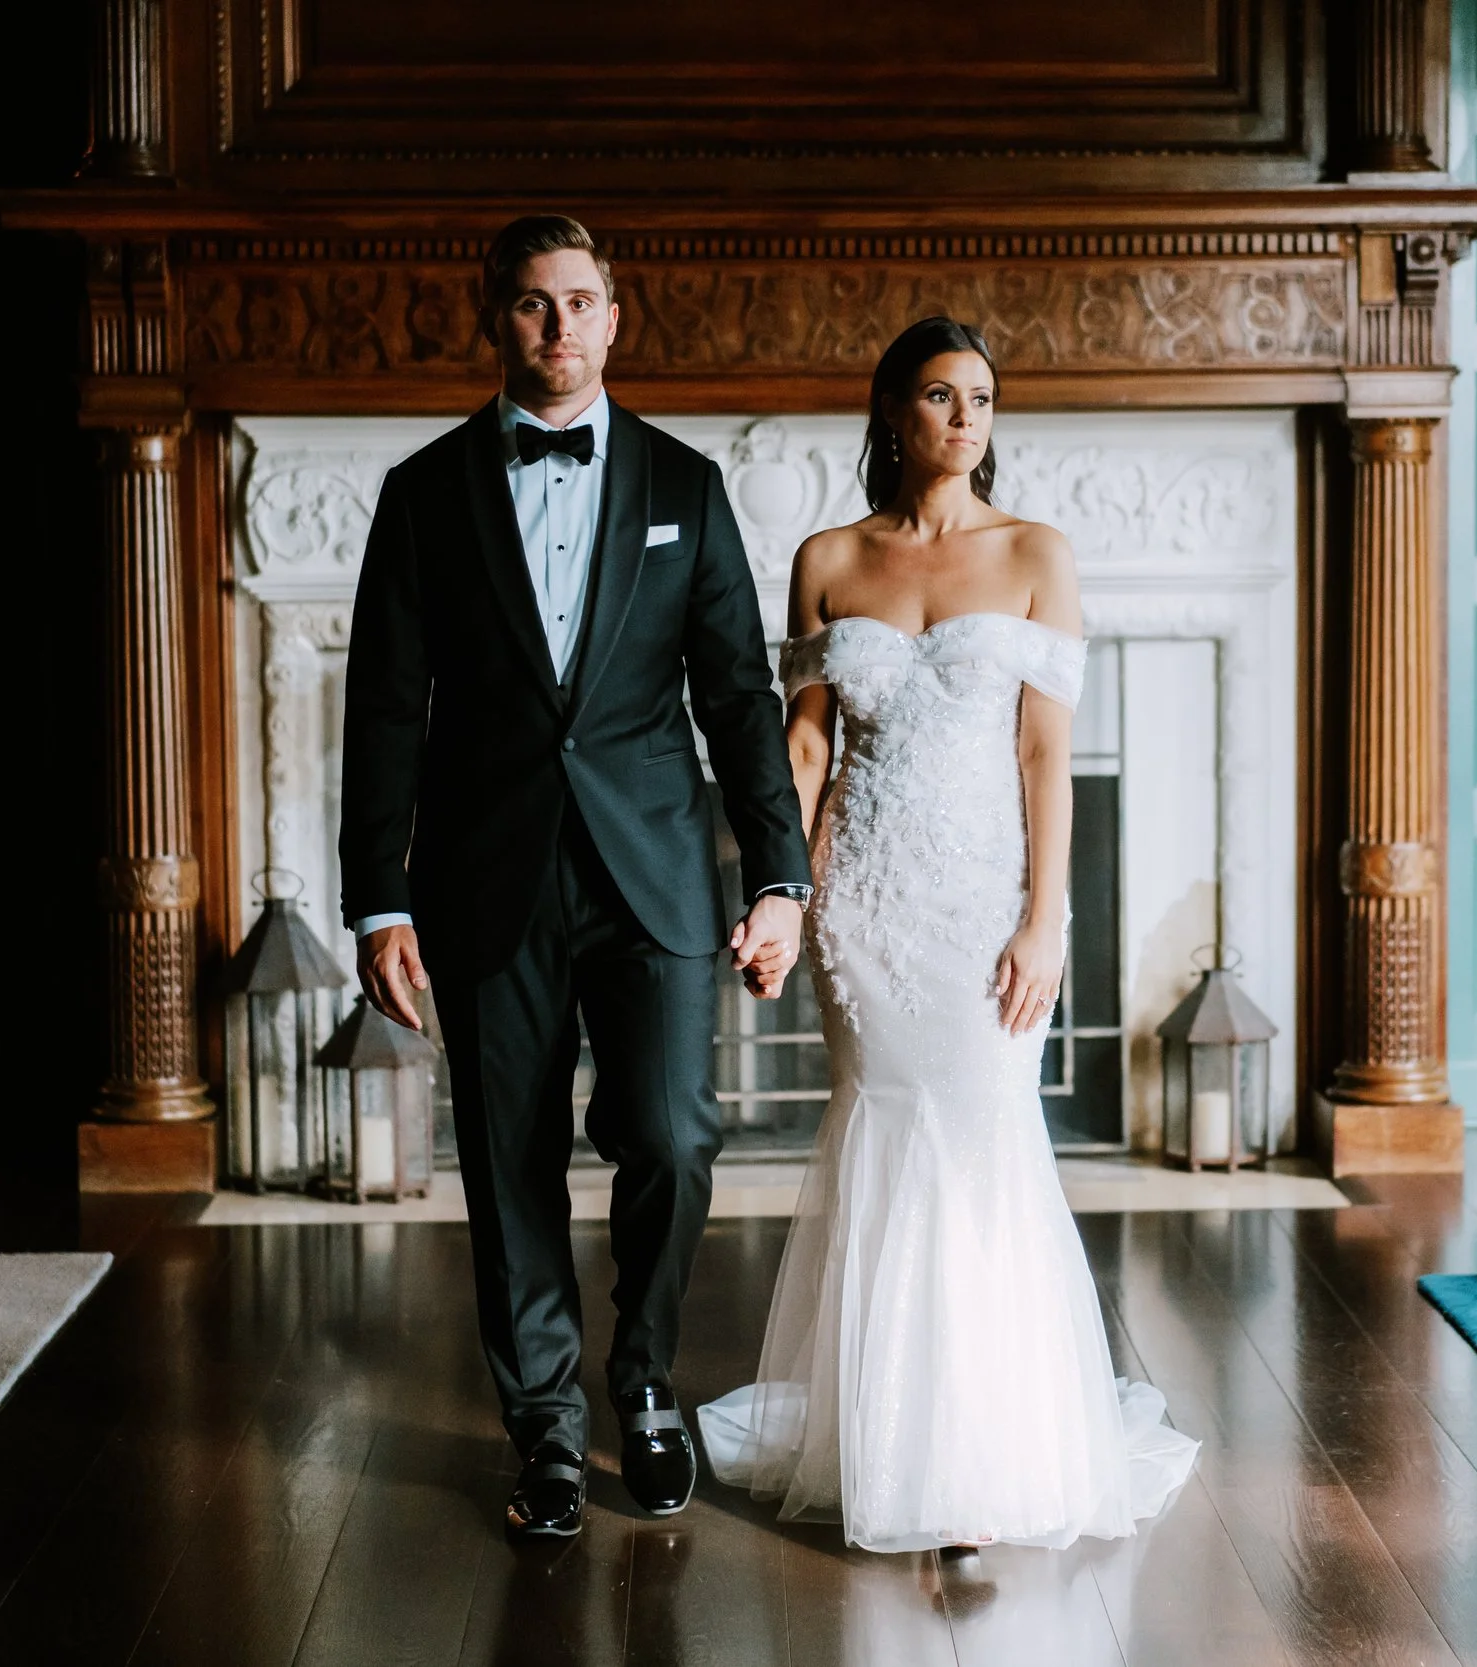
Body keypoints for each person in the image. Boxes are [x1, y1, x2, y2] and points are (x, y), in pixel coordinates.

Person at [339, 214, 812, 1540]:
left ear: (617, 317)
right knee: (509, 1161)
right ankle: (546, 1424)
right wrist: (380, 896)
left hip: (654, 872)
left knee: (671, 1131)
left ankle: (646, 1375)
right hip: (482, 880)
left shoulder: (682, 483)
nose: (560, 327)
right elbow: (385, 706)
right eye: (535, 305)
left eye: (582, 302)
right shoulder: (427, 494)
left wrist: (778, 873)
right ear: (500, 317)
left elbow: (738, 691)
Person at [698, 317, 1199, 1551]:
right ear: (892, 414)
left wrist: (1047, 916)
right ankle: (888, 1440)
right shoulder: (826, 557)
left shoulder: (1037, 552)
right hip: (860, 905)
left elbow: (1045, 751)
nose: (966, 418)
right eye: (939, 395)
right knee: (881, 1141)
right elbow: (805, 747)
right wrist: (781, 896)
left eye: (981, 398)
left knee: (982, 1142)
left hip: (983, 908)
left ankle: (991, 1449)